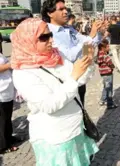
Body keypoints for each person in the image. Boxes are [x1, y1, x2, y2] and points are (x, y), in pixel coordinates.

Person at [11, 18, 97, 165]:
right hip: (55, 137)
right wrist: (74, 76)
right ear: (28, 40)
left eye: (50, 34)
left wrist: (88, 62)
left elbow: (78, 80)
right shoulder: (23, 72)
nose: (51, 40)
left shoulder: (56, 56)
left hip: (75, 128)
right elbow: (49, 105)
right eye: (44, 37)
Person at [41, 0, 102, 106]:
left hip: (81, 74)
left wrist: (99, 32)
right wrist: (90, 37)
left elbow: (89, 42)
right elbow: (69, 56)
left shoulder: (69, 29)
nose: (66, 12)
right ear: (49, 13)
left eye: (65, 9)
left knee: (80, 108)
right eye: (61, 9)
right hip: (66, 80)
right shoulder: (48, 32)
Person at [0, 53, 17, 154]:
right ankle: (3, 146)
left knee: (7, 118)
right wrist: (11, 64)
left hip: (7, 90)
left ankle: (9, 138)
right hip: (1, 92)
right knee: (2, 120)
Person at [97, 39, 118, 109]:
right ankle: (110, 103)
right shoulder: (104, 55)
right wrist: (113, 66)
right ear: (103, 48)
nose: (109, 47)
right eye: (108, 46)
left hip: (103, 73)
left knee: (105, 87)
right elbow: (110, 63)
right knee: (109, 89)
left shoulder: (99, 54)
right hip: (108, 73)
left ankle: (103, 100)